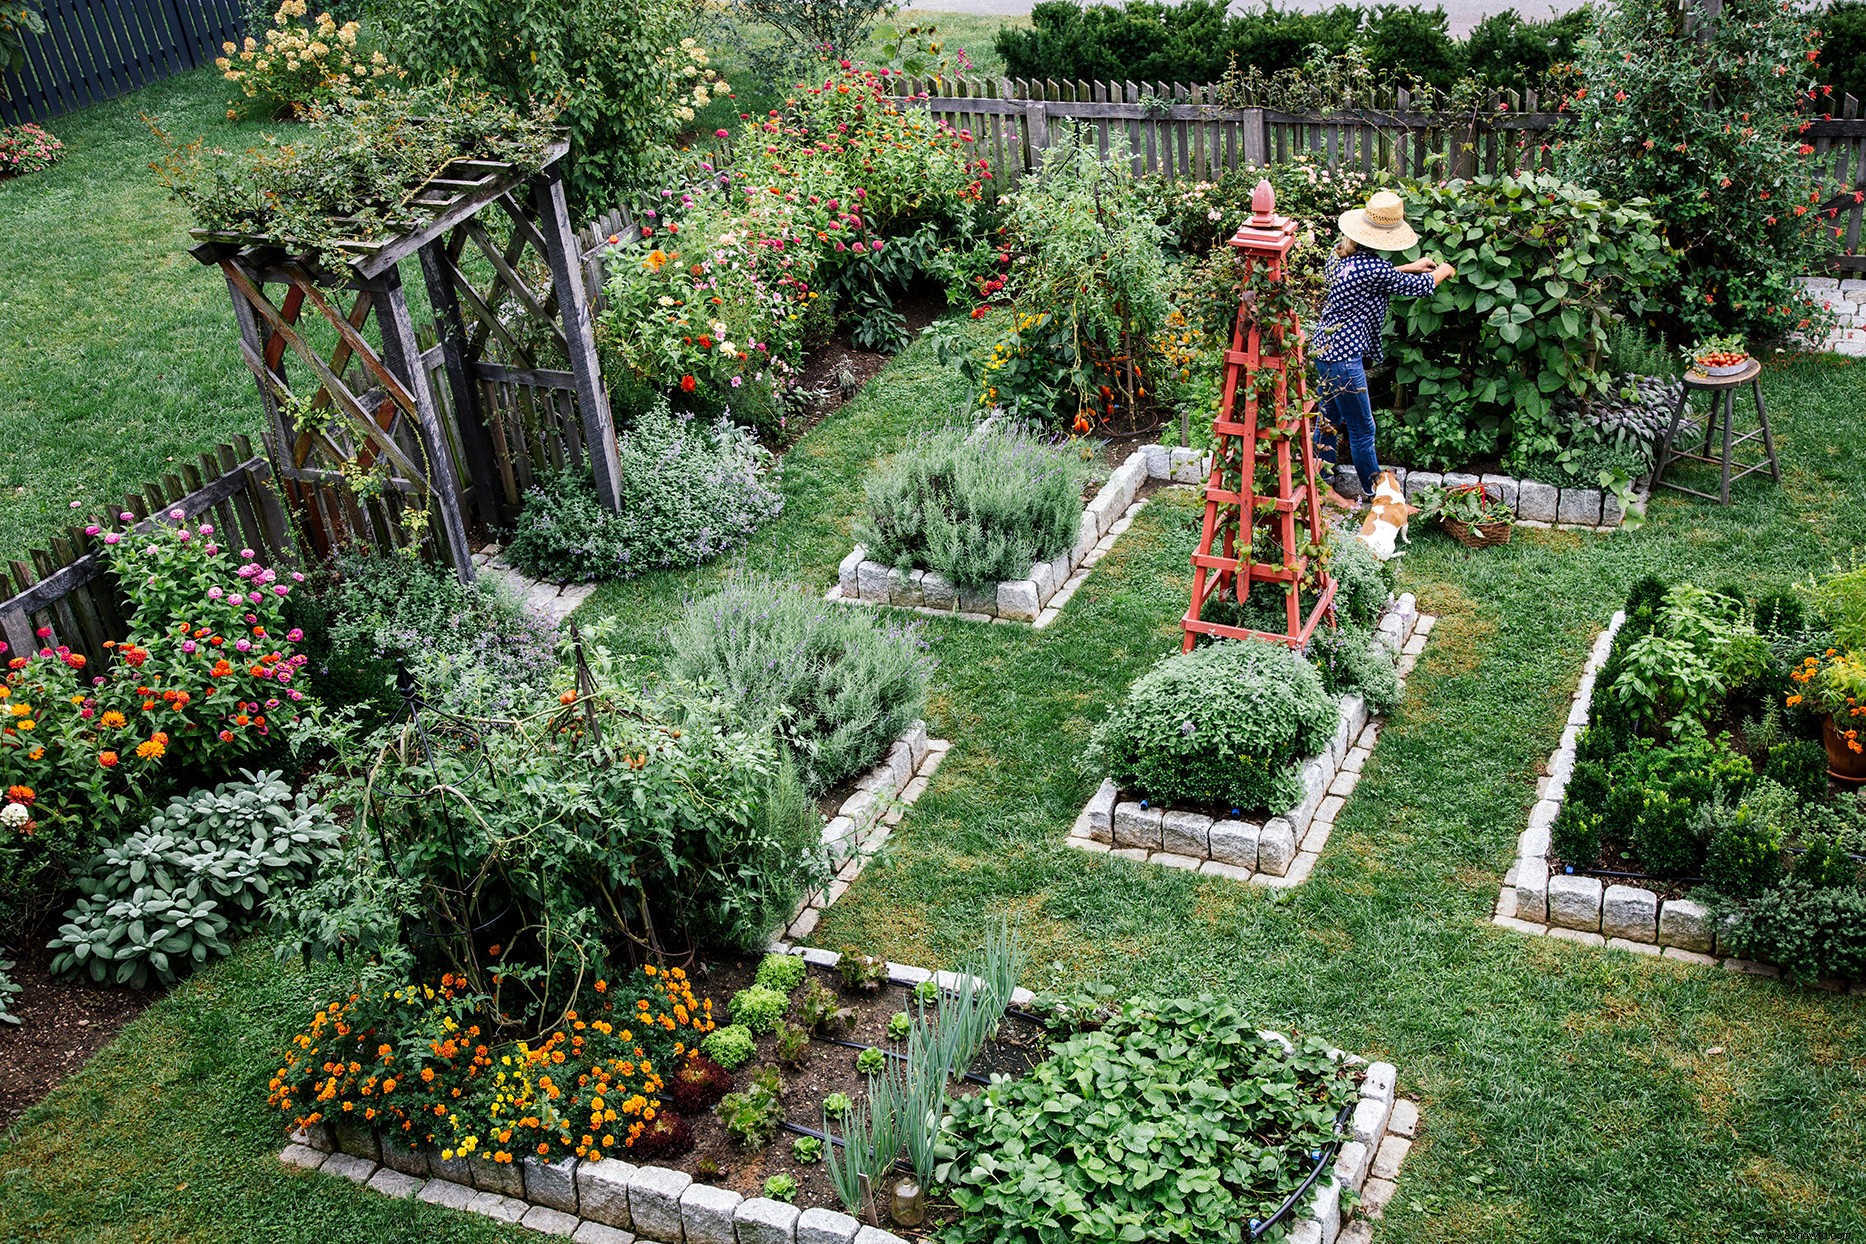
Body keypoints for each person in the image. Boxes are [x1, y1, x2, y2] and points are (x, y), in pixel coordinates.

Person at [1309, 190, 1455, 510]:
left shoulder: (1339, 256)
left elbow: (1376, 280)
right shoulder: (1374, 269)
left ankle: (1322, 487)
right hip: (1345, 361)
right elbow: (1423, 288)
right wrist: (1443, 269)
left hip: (1324, 352)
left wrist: (1411, 266)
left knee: (1329, 420)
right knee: (1363, 429)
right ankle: (1379, 497)